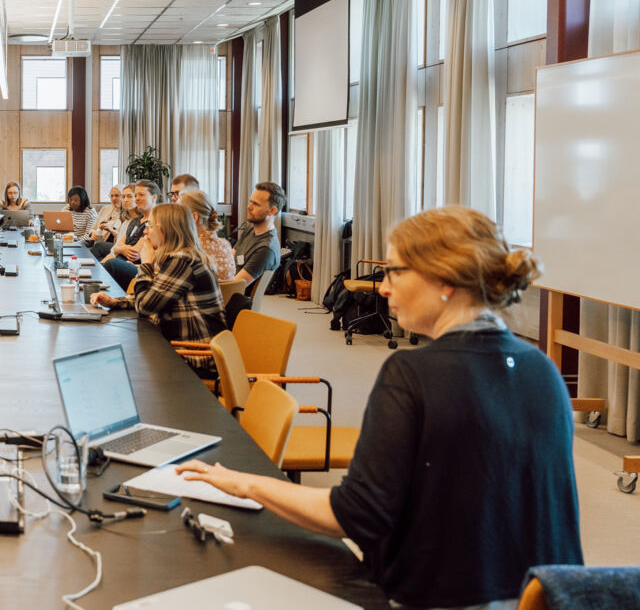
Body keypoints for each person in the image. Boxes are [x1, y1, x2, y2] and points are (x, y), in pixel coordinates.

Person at [176, 207, 582, 609]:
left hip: (437, 597)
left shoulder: (413, 373)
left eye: (394, 272)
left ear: (444, 279)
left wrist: (244, 484)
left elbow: (355, 514)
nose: (384, 288)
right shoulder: (542, 370)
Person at [92, 203, 225, 343]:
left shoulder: (183, 261)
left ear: (166, 230)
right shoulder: (177, 257)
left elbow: (145, 306)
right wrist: (114, 302)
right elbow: (154, 294)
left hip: (192, 355)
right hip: (178, 345)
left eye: (150, 225)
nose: (145, 231)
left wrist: (146, 264)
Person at [98, 179, 159, 289]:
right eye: (136, 195)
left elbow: (134, 253)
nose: (137, 199)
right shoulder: (136, 220)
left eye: (141, 195)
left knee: (111, 264)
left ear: (154, 197)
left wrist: (120, 248)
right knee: (100, 264)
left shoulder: (155, 221)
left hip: (137, 265)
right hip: (123, 260)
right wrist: (121, 248)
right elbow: (118, 244)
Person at [178, 189, 236, 282]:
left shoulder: (190, 251)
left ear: (194, 217)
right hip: (225, 296)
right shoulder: (225, 244)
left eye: (179, 215)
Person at [232, 181, 284, 286]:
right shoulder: (249, 228)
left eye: (255, 204)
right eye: (251, 202)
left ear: (272, 210)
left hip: (233, 298)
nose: (249, 207)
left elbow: (234, 287)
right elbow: (231, 256)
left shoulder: (265, 249)